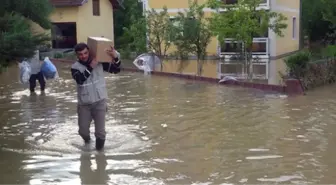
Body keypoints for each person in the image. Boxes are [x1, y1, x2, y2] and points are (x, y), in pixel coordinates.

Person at [71, 43, 121, 151]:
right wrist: (90, 67)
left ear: (89, 52)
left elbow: (116, 70)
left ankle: (99, 154)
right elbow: (80, 79)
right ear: (77, 55)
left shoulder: (99, 63)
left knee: (100, 133)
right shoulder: (74, 67)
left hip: (100, 102)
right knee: (83, 131)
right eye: (80, 54)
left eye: (85, 53)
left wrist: (115, 57)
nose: (83, 56)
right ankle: (88, 142)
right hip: (84, 105)